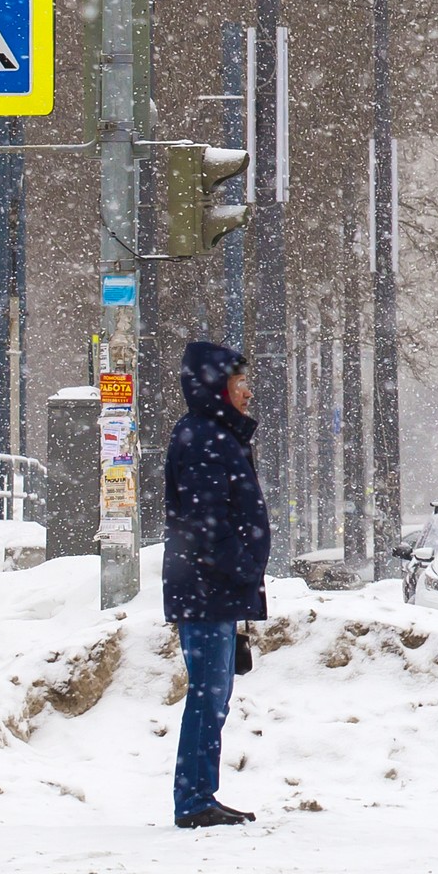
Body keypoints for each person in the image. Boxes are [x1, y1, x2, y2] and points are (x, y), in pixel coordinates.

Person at [163, 341, 269, 829]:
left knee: (215, 696)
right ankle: (194, 800)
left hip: (211, 589)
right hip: (207, 590)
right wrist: (245, 565)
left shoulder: (214, 434)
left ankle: (199, 794)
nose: (248, 393)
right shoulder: (206, 438)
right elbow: (206, 523)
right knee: (208, 696)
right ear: (217, 388)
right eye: (240, 383)